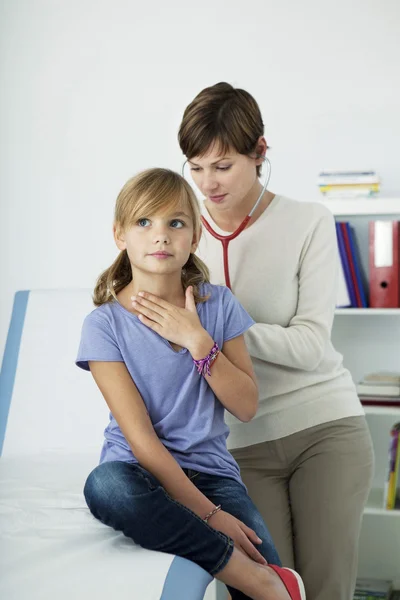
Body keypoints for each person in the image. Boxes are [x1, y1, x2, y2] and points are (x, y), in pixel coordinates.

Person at [177, 83, 375, 600]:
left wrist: (216, 329)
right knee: (270, 592)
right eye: (195, 167)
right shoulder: (178, 234)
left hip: (325, 428)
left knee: (326, 591)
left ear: (260, 152)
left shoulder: (309, 221)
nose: (207, 183)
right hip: (239, 445)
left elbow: (311, 345)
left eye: (222, 166)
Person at [75, 168, 306, 600]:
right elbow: (141, 442)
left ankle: (257, 577)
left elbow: (247, 406)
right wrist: (211, 517)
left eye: (175, 223)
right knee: (103, 486)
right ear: (119, 235)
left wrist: (198, 341)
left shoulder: (218, 306)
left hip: (212, 475)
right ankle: (248, 574)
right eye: (144, 222)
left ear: (195, 237)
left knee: (274, 582)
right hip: (137, 472)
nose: (160, 235)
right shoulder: (103, 325)